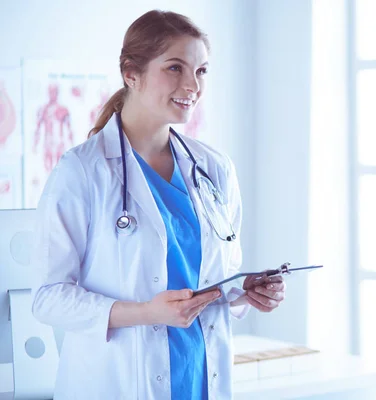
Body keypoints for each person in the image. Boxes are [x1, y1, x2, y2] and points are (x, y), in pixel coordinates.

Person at [30, 10, 286, 400]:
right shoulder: (82, 171)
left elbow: (220, 274)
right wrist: (147, 313)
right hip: (118, 382)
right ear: (131, 74)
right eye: (175, 68)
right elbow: (48, 297)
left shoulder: (214, 168)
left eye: (201, 71)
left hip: (201, 377)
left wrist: (245, 290)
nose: (192, 85)